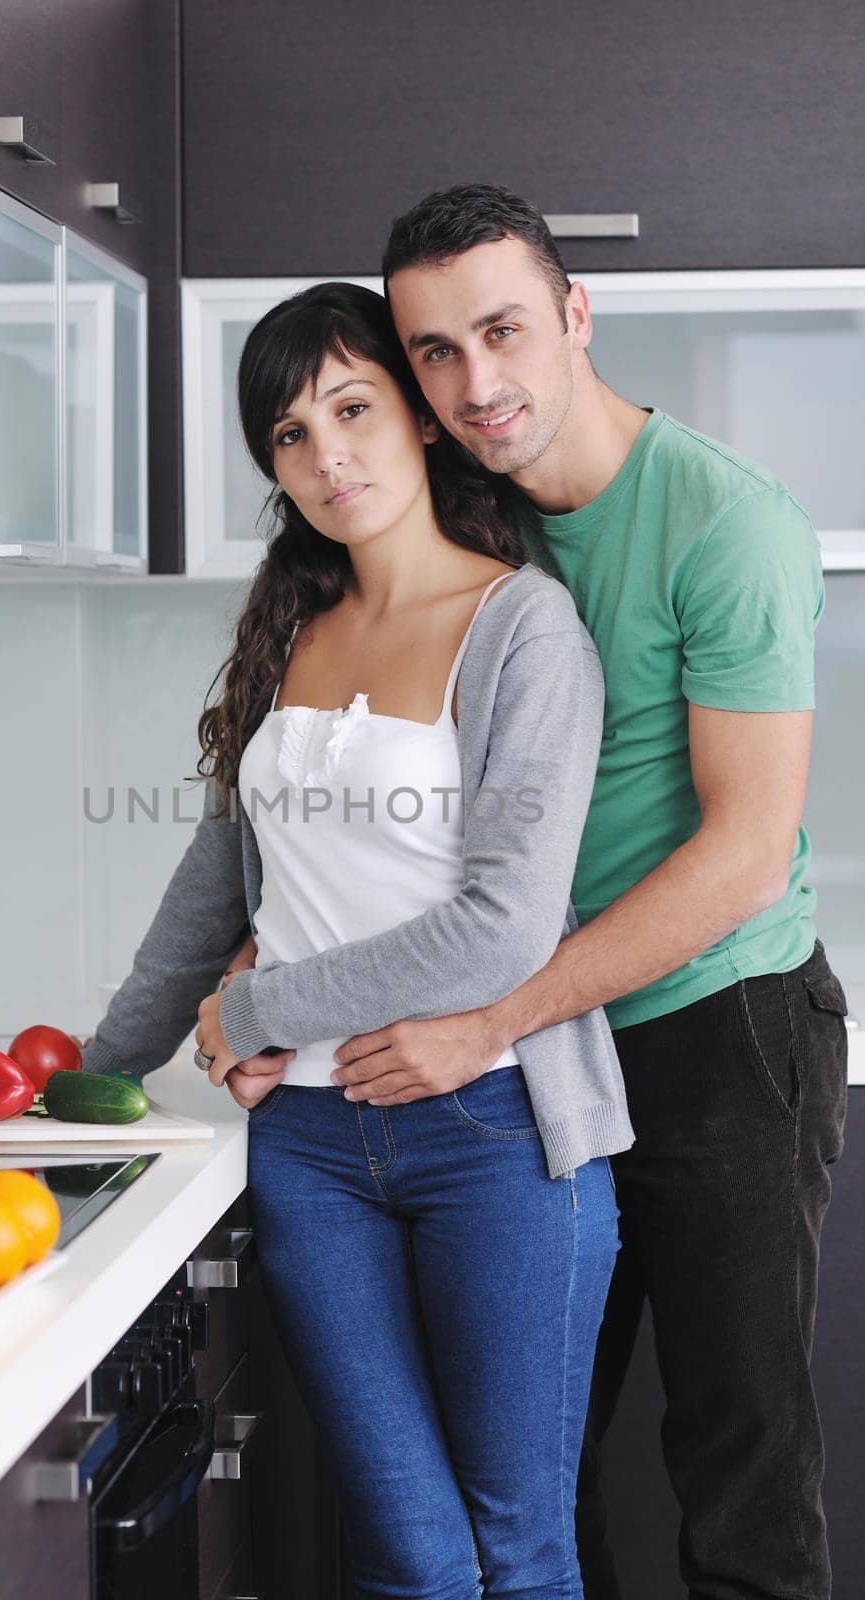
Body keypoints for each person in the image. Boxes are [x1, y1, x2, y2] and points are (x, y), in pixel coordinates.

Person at [221, 185, 849, 1600]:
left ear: (576, 313)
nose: (475, 383)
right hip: (542, 1044)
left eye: (503, 330)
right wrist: (289, 934)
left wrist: (481, 1014)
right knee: (542, 1478)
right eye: (434, 352)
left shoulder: (726, 527)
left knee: (734, 1474)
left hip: (717, 1023)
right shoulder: (470, 513)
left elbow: (743, 854)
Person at [84, 280, 635, 1598]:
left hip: (499, 1136)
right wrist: (88, 1082)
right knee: (410, 1553)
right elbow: (213, 889)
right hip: (313, 1152)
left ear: (424, 419)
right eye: (288, 434)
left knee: (518, 1547)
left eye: (353, 408)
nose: (327, 456)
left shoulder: (524, 632)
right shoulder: (290, 631)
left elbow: (501, 930)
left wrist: (261, 1014)